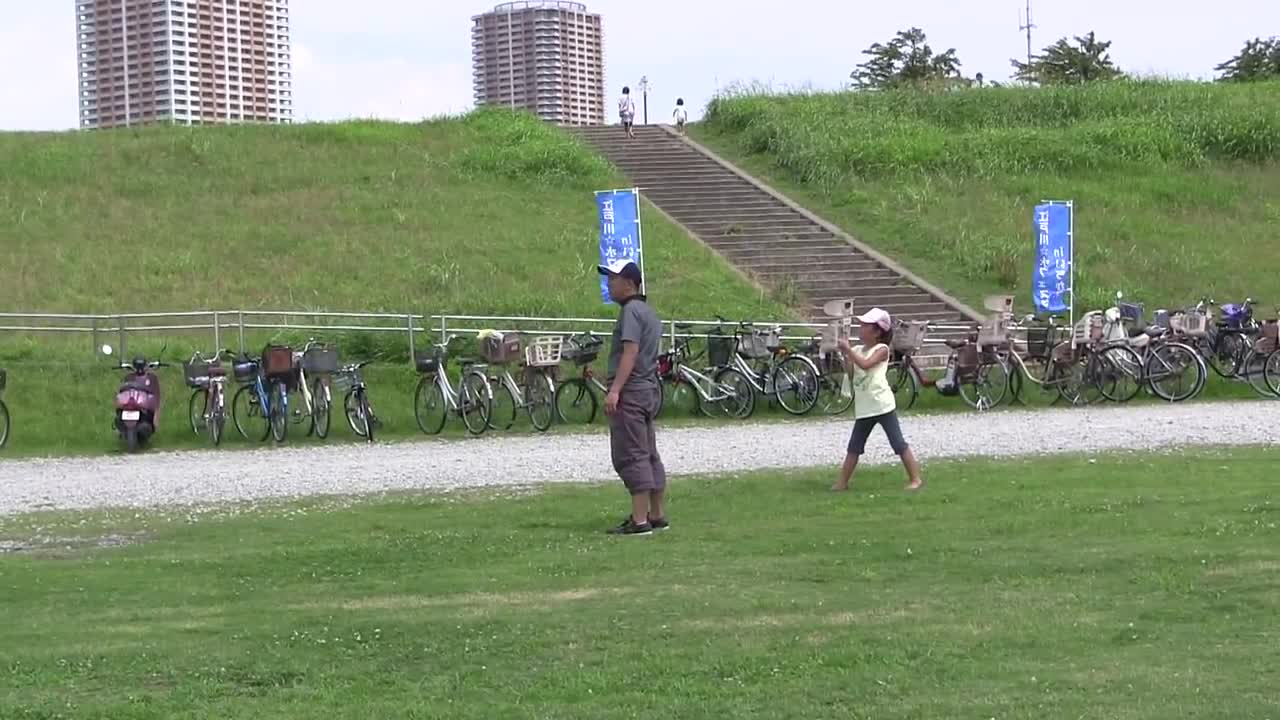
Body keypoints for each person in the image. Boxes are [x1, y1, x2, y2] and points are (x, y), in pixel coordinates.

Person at [598, 259, 666, 535]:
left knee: (631, 454)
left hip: (632, 392)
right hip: (648, 389)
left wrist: (615, 390)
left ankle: (639, 520)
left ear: (629, 283)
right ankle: (657, 514)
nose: (609, 285)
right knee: (649, 453)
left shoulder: (630, 313)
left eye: (613, 280)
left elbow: (631, 352)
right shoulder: (648, 312)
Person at [831, 308, 924, 492]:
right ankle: (842, 483)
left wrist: (848, 350)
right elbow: (851, 373)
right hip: (865, 407)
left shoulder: (881, 349)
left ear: (877, 332)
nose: (861, 328)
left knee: (898, 443)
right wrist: (845, 354)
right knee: (854, 447)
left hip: (882, 405)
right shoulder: (857, 349)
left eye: (866, 325)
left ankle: (916, 479)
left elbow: (865, 365)